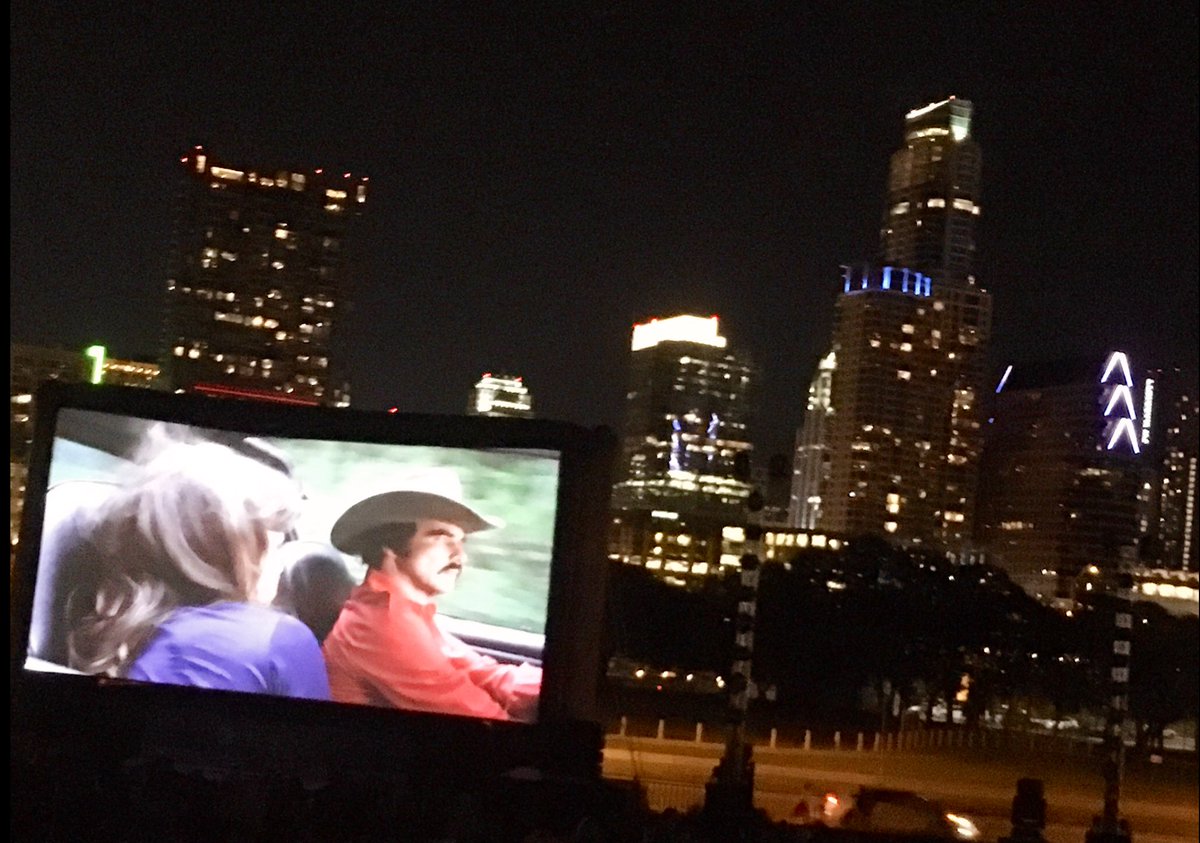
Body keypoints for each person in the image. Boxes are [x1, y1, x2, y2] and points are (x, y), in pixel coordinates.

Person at [66, 430, 331, 701]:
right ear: (230, 552)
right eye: (275, 545)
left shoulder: (126, 635)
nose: (280, 563)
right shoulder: (277, 639)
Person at [322, 467, 541, 721]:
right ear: (390, 545)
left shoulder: (407, 612)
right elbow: (483, 720)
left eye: (461, 541)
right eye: (440, 536)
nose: (460, 556)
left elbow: (486, 674)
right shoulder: (380, 625)